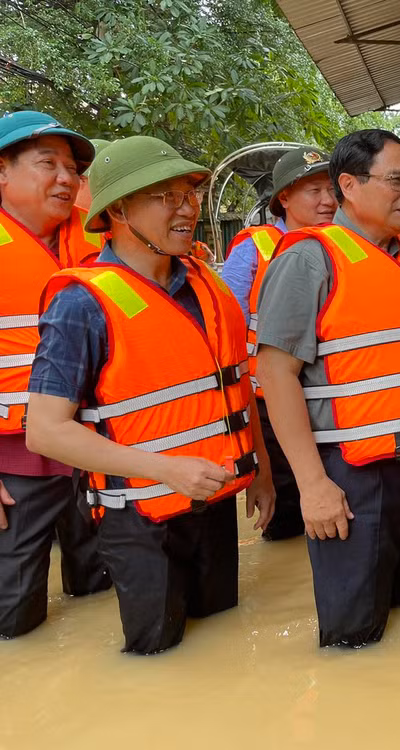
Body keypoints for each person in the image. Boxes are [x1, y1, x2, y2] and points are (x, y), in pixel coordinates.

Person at [25, 136, 276, 654]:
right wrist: (167, 470)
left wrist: (264, 472)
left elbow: (235, 382)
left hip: (214, 499)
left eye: (190, 194)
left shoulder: (208, 282)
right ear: (117, 209)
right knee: (157, 656)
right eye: (168, 197)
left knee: (222, 643)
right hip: (140, 519)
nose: (188, 209)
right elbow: (45, 431)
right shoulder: (81, 301)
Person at [254, 129, 400, 648]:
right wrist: (312, 486)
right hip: (351, 477)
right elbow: (275, 373)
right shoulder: (309, 260)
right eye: (396, 181)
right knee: (353, 641)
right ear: (350, 186)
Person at [0, 110, 110, 639]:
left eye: (72, 168)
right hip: (14, 465)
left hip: (93, 453)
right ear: (2, 171)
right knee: (15, 611)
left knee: (101, 592)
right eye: (48, 164)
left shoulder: (98, 244)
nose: (66, 179)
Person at [222, 146, 335, 541]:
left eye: (332, 189)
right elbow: (229, 331)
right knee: (287, 514)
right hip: (271, 403)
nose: (328, 201)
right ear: (283, 198)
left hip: (331, 399)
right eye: (314, 191)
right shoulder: (255, 249)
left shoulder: (347, 247)